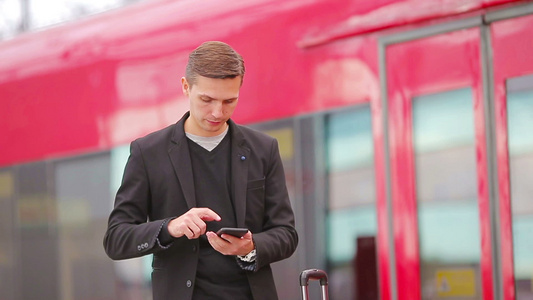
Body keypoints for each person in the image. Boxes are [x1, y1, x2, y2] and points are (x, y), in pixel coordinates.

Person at [103, 41, 298, 300]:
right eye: (207, 99)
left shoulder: (264, 149)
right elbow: (116, 239)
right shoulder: (148, 152)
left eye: (229, 101)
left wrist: (250, 247)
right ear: (186, 87)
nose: (218, 112)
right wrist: (170, 227)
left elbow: (286, 233)